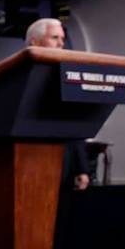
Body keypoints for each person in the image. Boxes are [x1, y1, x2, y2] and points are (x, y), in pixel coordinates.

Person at [24, 18, 89, 191]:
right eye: (54, 38)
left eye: (62, 38)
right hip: (29, 163)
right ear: (34, 41)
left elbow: (74, 123)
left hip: (64, 164)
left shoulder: (68, 75)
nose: (61, 43)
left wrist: (81, 167)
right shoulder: (17, 75)